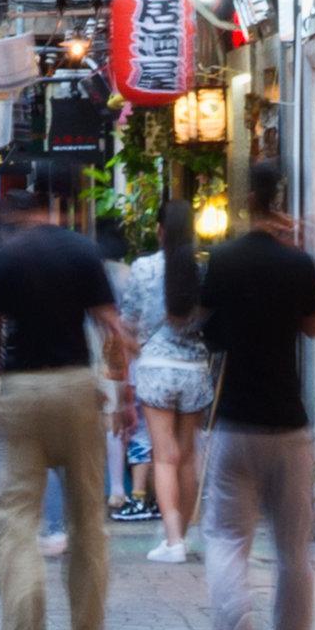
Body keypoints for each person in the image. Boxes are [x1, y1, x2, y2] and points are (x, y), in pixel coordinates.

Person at [0, 164, 131, 630]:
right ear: (57, 209)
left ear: (18, 213)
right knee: (86, 518)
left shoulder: (3, 255)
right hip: (75, 387)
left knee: (17, 516)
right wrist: (120, 394)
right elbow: (111, 329)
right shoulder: (82, 251)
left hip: (19, 388)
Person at [194, 165, 315, 630]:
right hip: (288, 423)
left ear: (242, 200)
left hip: (233, 420)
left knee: (228, 544)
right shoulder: (296, 263)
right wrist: (301, 255)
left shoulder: (223, 261)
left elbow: (198, 323)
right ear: (279, 201)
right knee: (293, 550)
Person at [122, 217, 212, 573]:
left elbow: (129, 319)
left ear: (160, 230)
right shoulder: (202, 267)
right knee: (188, 456)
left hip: (156, 364)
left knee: (164, 456)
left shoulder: (144, 267)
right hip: (195, 367)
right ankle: (183, 536)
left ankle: (172, 540)